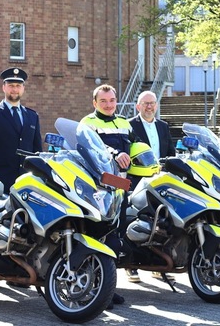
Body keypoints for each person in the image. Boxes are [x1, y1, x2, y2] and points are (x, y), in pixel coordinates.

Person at [0, 67, 42, 289]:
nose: (15, 89)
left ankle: (18, 270)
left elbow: (37, 150)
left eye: (18, 85)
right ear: (4, 87)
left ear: (23, 88)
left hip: (25, 180)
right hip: (0, 178)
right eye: (11, 85)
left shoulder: (32, 116)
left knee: (24, 226)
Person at [80, 84, 135, 305]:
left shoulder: (124, 123)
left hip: (120, 189)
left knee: (115, 238)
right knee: (96, 237)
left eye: (112, 100)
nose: (109, 104)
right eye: (103, 101)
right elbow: (93, 149)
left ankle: (109, 288)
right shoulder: (87, 123)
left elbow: (137, 146)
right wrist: (115, 153)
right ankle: (94, 290)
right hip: (97, 190)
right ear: (95, 103)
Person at [125, 90, 172, 282]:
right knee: (138, 218)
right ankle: (131, 265)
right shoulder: (129, 126)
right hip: (138, 180)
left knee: (162, 220)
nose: (149, 107)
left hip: (159, 179)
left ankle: (157, 264)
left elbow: (170, 151)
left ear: (157, 105)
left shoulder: (163, 126)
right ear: (138, 106)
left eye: (152, 103)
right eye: (145, 103)